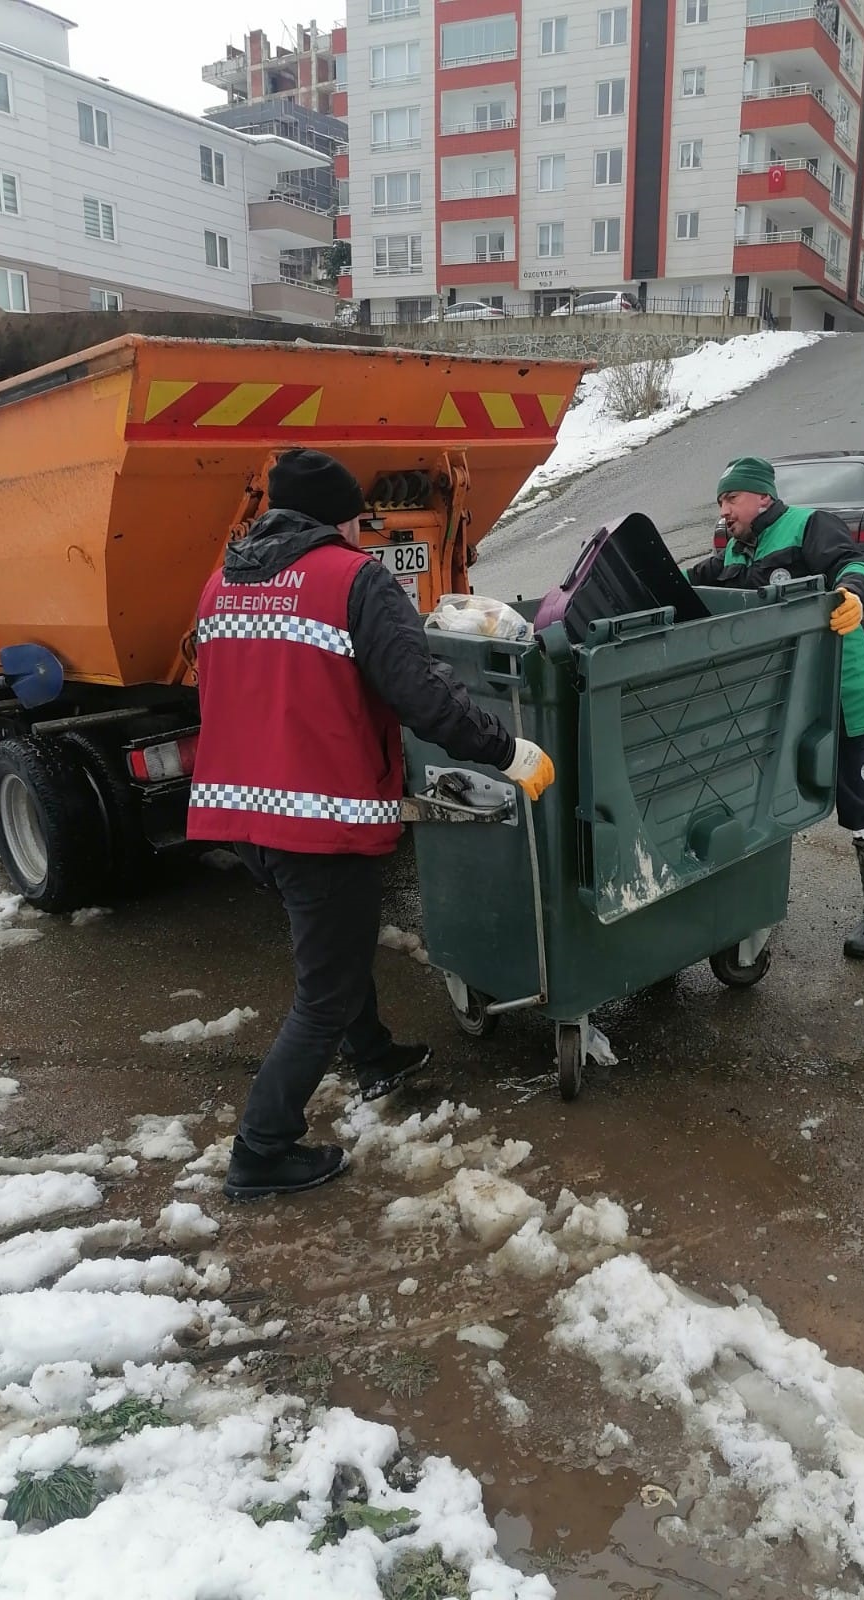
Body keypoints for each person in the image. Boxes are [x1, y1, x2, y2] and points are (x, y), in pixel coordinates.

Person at [188, 448, 555, 1200]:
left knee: (333, 948)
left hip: (243, 816)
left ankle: (375, 1054)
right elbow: (420, 695)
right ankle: (261, 1149)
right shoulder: (356, 581)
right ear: (341, 516)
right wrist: (504, 750)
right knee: (323, 988)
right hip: (319, 818)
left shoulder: (222, 583)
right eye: (359, 516)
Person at [685, 456, 864, 960]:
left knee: (858, 792)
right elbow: (691, 585)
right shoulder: (736, 550)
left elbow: (854, 562)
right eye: (720, 501)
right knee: (760, 801)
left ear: (761, 496)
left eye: (730, 499)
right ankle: (755, 906)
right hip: (775, 701)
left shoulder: (807, 526)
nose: (724, 511)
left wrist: (851, 592)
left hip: (838, 686)